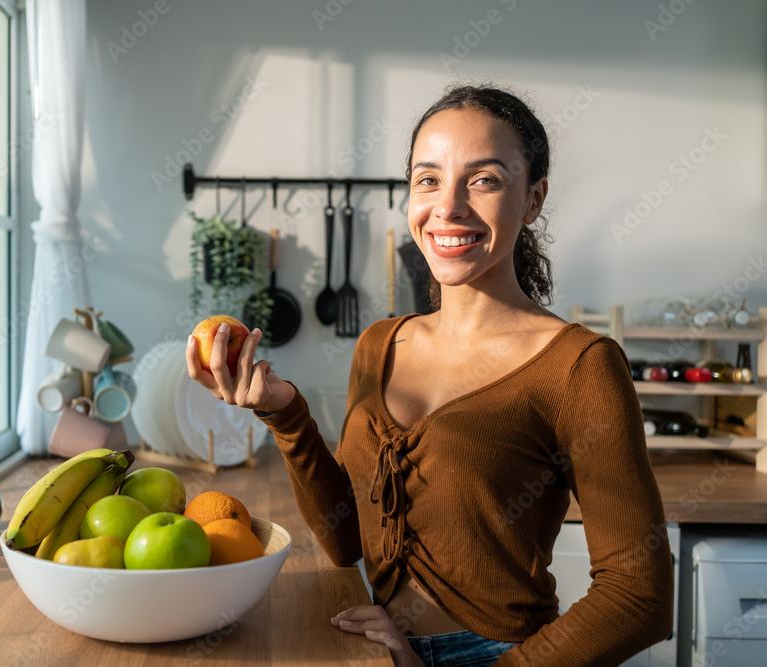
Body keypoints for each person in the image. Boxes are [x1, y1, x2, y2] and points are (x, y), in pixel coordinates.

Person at [184, 84, 674, 667]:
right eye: (428, 179)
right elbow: (347, 544)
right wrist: (283, 411)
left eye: (485, 179)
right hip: (377, 646)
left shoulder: (580, 366)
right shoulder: (378, 344)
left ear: (534, 198)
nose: (448, 206)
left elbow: (640, 597)